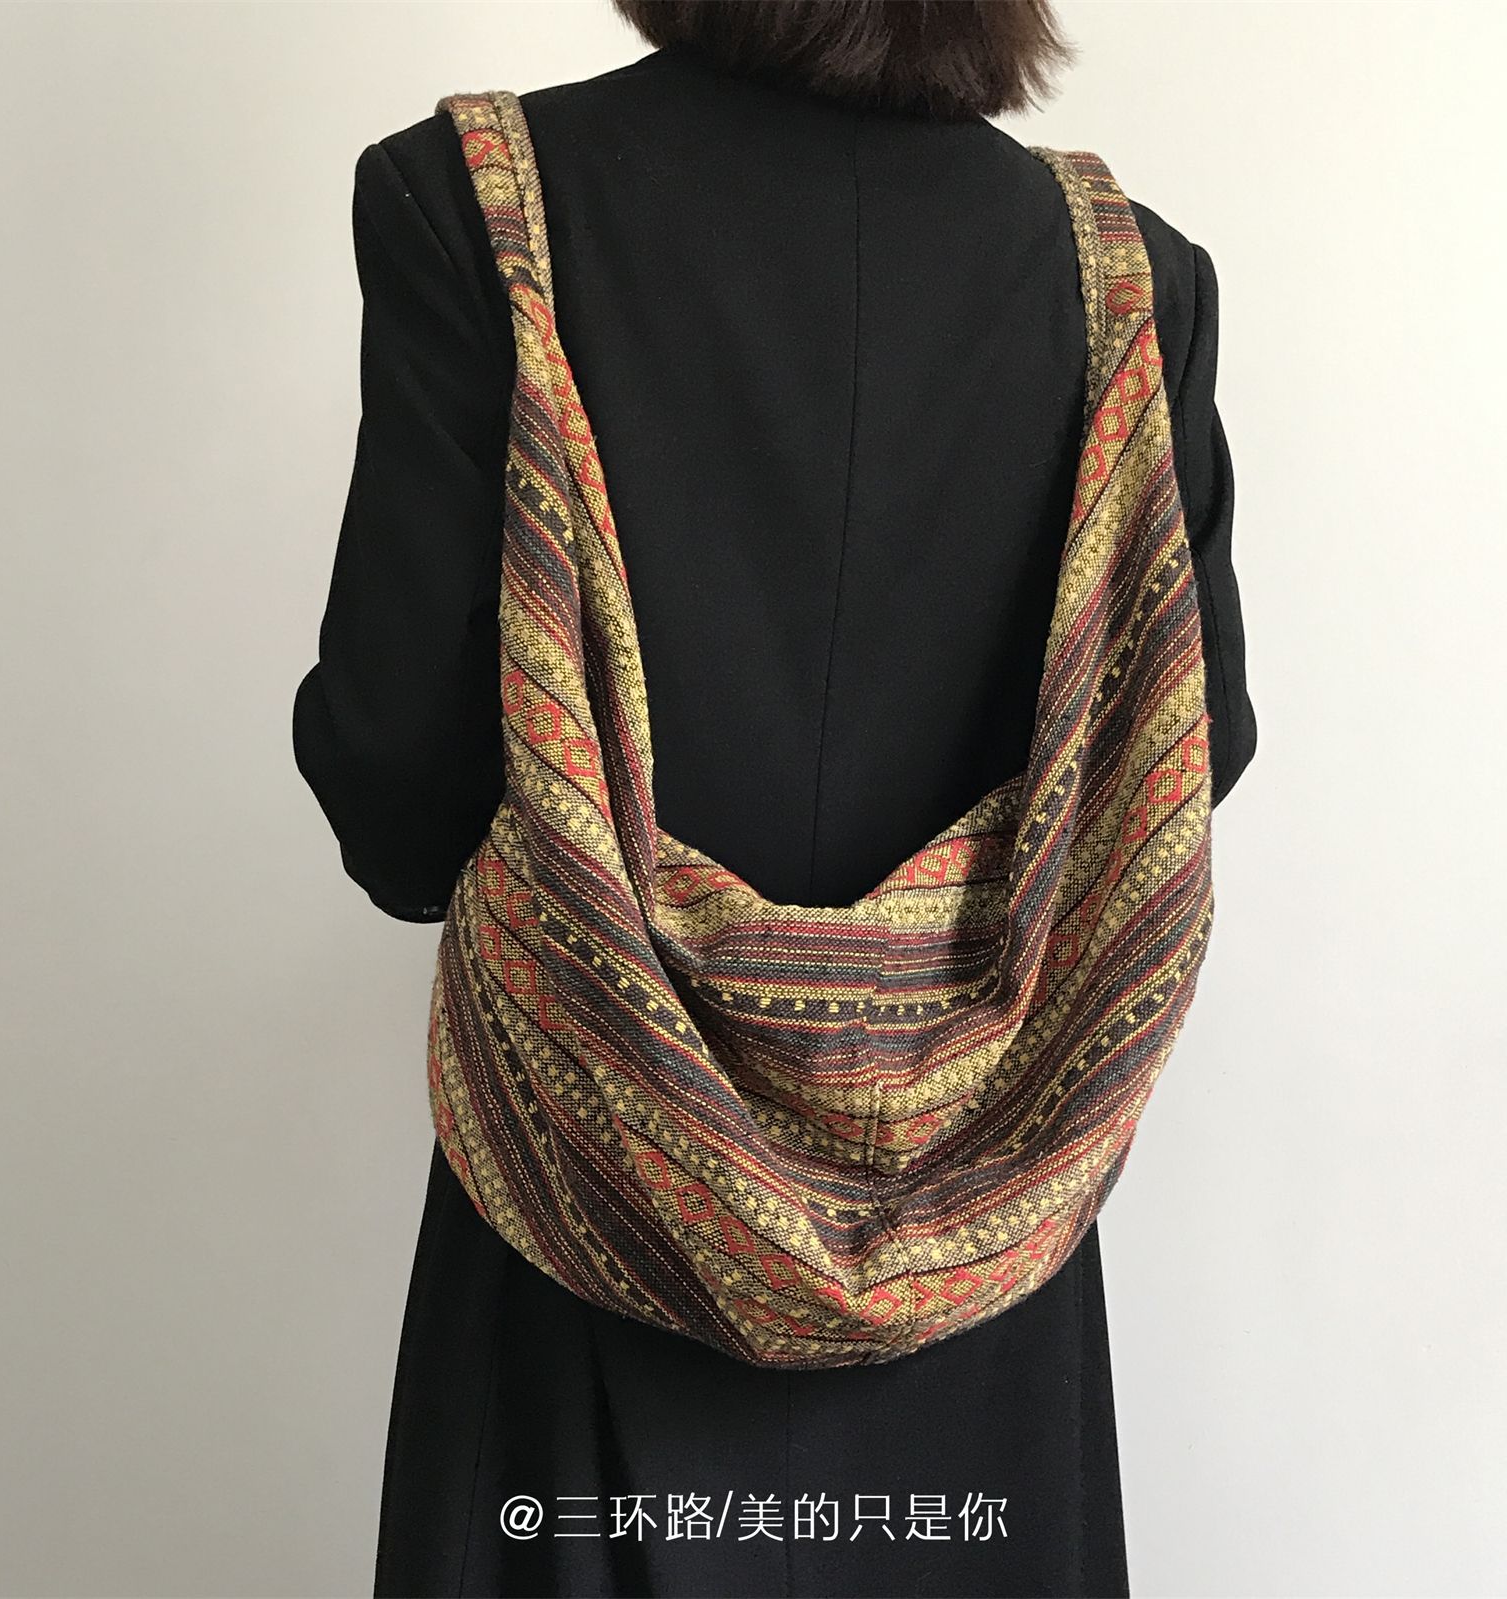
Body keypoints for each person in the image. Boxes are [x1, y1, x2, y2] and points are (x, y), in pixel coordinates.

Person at [292, 4, 1258, 1594]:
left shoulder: (479, 206)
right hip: (981, 1320)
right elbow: (1180, 754)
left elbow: (397, 789)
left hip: (579, 1250)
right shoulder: (1128, 281)